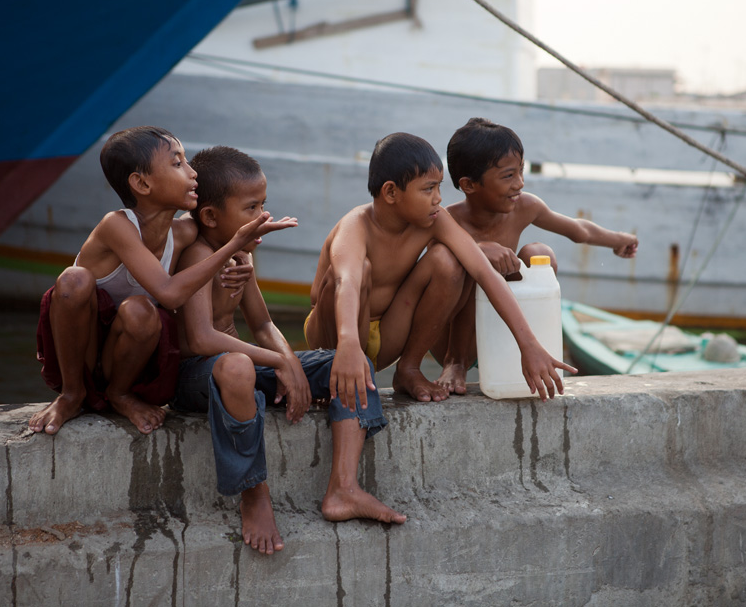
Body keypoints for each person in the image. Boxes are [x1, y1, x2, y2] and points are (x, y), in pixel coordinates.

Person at [172, 146, 405, 555]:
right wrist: (281, 361)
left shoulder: (240, 254)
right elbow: (200, 339)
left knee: (349, 362)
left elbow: (263, 324)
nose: (262, 216)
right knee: (238, 368)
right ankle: (253, 493)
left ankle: (344, 488)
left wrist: (293, 363)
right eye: (250, 208)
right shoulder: (198, 255)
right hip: (200, 378)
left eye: (263, 204)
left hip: (243, 367)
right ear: (210, 216)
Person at [29, 126, 287, 436]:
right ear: (141, 183)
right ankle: (71, 396)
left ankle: (120, 394)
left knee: (140, 310)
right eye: (178, 164)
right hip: (81, 351)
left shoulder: (184, 233)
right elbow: (170, 295)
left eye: (187, 162)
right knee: (73, 280)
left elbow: (221, 229)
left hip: (126, 358)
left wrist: (239, 260)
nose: (193, 174)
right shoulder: (118, 225)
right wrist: (234, 246)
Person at [303, 131, 577, 405]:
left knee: (447, 260)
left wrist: (528, 345)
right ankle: (332, 370)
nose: (438, 199)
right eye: (427, 189)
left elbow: (484, 272)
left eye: (439, 187)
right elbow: (346, 282)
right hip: (337, 335)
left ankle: (408, 369)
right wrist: (348, 344)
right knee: (358, 269)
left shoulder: (436, 219)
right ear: (390, 192)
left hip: (387, 336)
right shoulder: (356, 226)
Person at [437, 117, 639, 394]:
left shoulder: (525, 206)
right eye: (508, 176)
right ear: (469, 185)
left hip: (506, 329)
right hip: (458, 337)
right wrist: (478, 250)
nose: (519, 183)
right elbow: (438, 273)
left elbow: (578, 230)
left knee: (538, 254)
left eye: (521, 171)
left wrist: (619, 240)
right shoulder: (448, 220)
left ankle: (534, 351)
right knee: (470, 264)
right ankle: (455, 362)